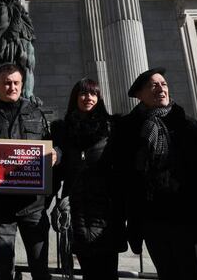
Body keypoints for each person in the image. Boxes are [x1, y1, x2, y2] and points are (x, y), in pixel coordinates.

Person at [104, 67, 197, 279]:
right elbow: (119, 176)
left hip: (190, 216)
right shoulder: (127, 130)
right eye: (153, 85)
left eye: (164, 84)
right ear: (139, 95)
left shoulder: (188, 126)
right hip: (152, 220)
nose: (161, 89)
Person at [0, 63, 55, 280]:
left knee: (40, 269)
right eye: (6, 83)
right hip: (0, 208)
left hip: (33, 206)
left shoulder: (38, 114)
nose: (12, 87)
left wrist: (56, 154)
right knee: (2, 270)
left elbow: (54, 146)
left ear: (22, 85)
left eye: (16, 83)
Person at [50, 78, 127, 280]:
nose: (88, 98)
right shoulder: (62, 130)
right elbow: (57, 169)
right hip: (77, 207)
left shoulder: (113, 127)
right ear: (75, 98)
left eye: (93, 94)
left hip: (106, 209)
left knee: (109, 271)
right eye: (83, 94)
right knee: (88, 271)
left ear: (99, 98)